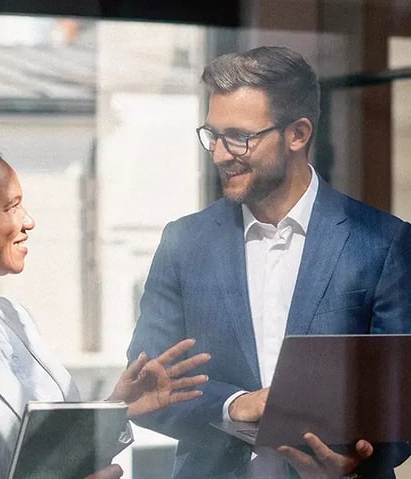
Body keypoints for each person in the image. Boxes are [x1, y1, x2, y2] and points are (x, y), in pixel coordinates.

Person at [0, 106, 211, 479]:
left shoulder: (14, 317)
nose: (28, 221)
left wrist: (119, 407)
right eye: (11, 207)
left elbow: (52, 454)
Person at [127, 46, 411, 478]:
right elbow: (147, 386)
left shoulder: (384, 241)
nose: (220, 154)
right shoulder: (183, 242)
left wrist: (359, 461)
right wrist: (234, 405)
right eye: (212, 135)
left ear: (298, 134)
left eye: (239, 137)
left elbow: (402, 397)